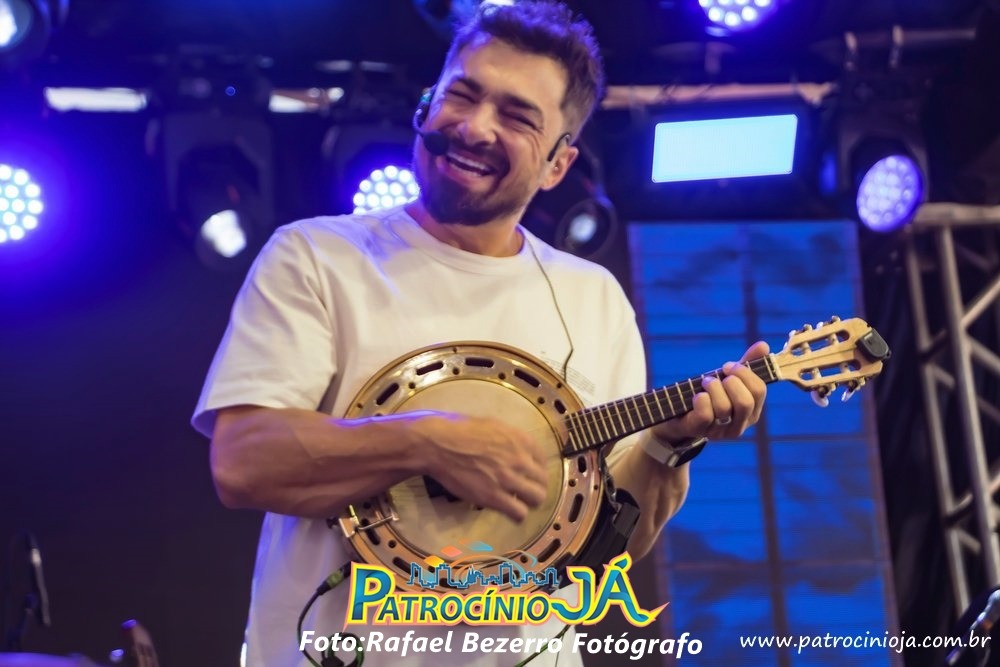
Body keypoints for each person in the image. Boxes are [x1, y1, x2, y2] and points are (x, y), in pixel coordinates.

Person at [192, 1, 768, 665]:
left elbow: (599, 552)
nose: (473, 126)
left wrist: (668, 446)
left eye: (517, 117)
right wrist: (427, 440)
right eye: (461, 95)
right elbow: (243, 462)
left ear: (557, 164)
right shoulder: (316, 256)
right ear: (428, 101)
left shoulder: (594, 299)